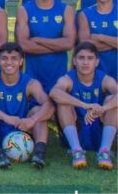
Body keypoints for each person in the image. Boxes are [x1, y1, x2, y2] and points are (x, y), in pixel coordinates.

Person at [0, 42, 53, 169]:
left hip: (21, 128)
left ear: (21, 61)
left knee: (38, 110)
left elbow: (49, 105)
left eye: (14, 58)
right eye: (4, 58)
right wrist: (6, 117)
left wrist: (32, 120)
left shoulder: (30, 83)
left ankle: (39, 153)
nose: (9, 62)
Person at [50, 42, 117, 170]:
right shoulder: (68, 79)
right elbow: (54, 93)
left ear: (96, 62)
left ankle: (104, 151)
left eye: (90, 58)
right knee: (63, 102)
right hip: (77, 130)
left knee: (112, 100)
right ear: (74, 61)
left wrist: (102, 108)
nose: (85, 62)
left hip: (99, 130)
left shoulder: (105, 79)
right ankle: (77, 151)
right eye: (81, 58)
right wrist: (84, 105)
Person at [15, 0, 76, 94]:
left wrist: (39, 40)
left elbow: (69, 44)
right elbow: (24, 45)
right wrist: (58, 46)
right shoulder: (24, 10)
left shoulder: (66, 10)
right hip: (33, 78)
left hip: (59, 78)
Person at [77, 0, 117, 79]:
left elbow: (92, 45)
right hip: (95, 75)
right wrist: (114, 44)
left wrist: (100, 37)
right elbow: (86, 46)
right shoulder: (85, 14)